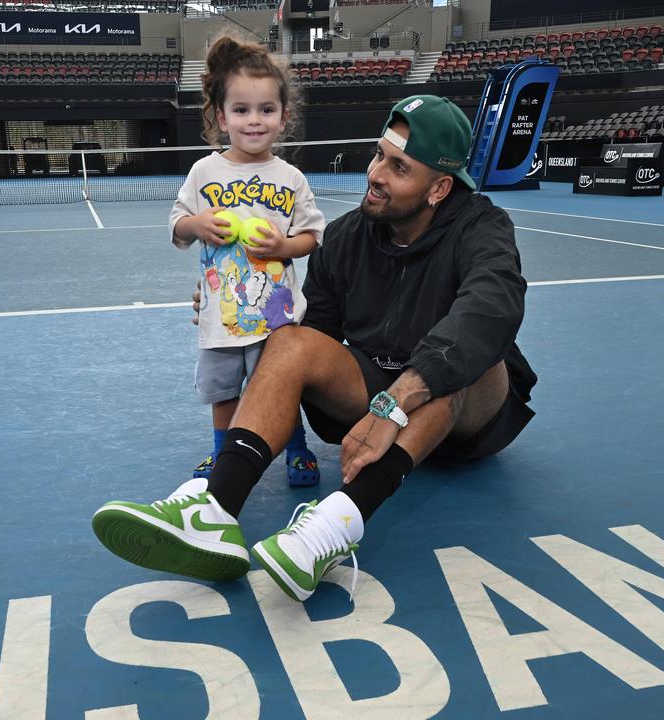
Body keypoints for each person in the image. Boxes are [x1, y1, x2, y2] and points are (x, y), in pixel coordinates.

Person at [92, 94, 536, 602]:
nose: (376, 174)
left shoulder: (482, 227)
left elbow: (491, 308)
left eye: (398, 168)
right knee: (291, 341)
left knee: (458, 359)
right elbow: (314, 338)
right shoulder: (347, 237)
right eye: (378, 156)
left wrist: (398, 401)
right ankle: (214, 510)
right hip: (377, 396)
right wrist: (239, 304)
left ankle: (334, 527)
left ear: (439, 188)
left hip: (468, 416)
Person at [168, 34, 325, 488]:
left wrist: (283, 247)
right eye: (241, 110)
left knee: (279, 387)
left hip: (276, 316)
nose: (253, 121)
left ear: (283, 117)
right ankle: (222, 456)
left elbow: (313, 234)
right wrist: (196, 225)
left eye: (266, 110)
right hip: (222, 315)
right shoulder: (204, 172)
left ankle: (296, 450)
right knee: (223, 392)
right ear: (221, 117)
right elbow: (177, 225)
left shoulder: (290, 178)